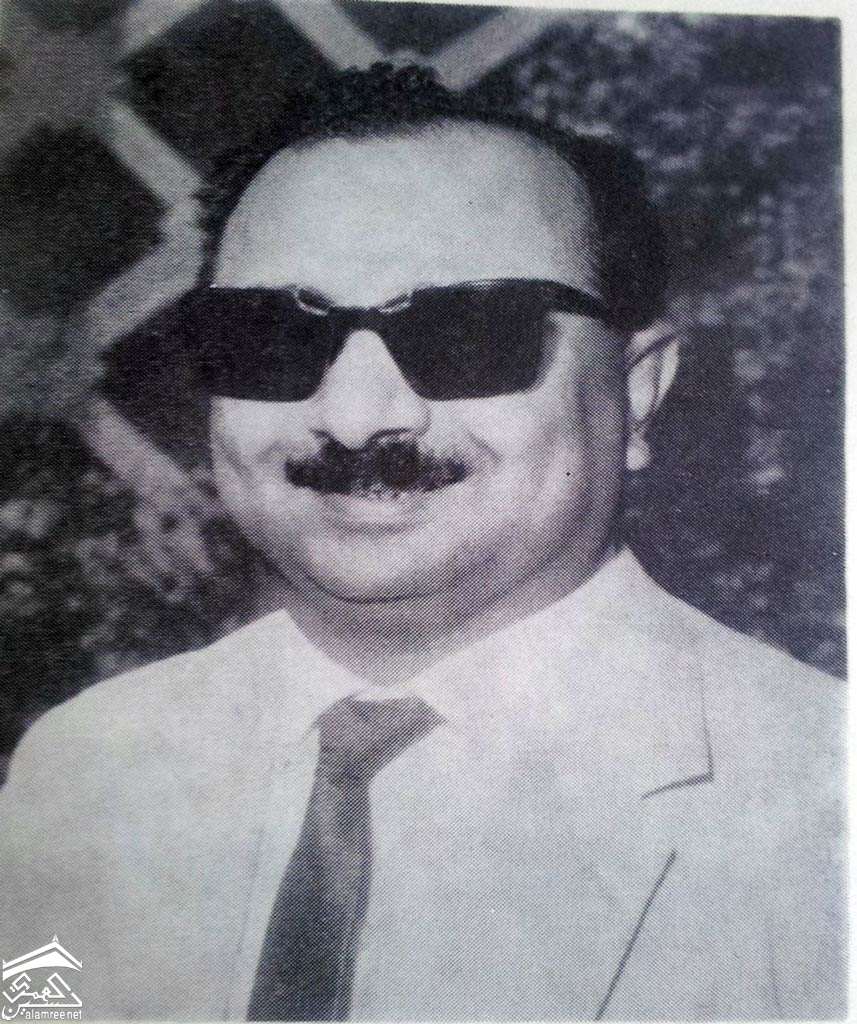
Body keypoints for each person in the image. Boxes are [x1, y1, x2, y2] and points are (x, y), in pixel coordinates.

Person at [0, 65, 844, 1021]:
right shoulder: (83, 767)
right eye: (272, 336)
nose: (357, 417)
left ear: (637, 389)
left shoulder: (820, 809)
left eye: (466, 332)